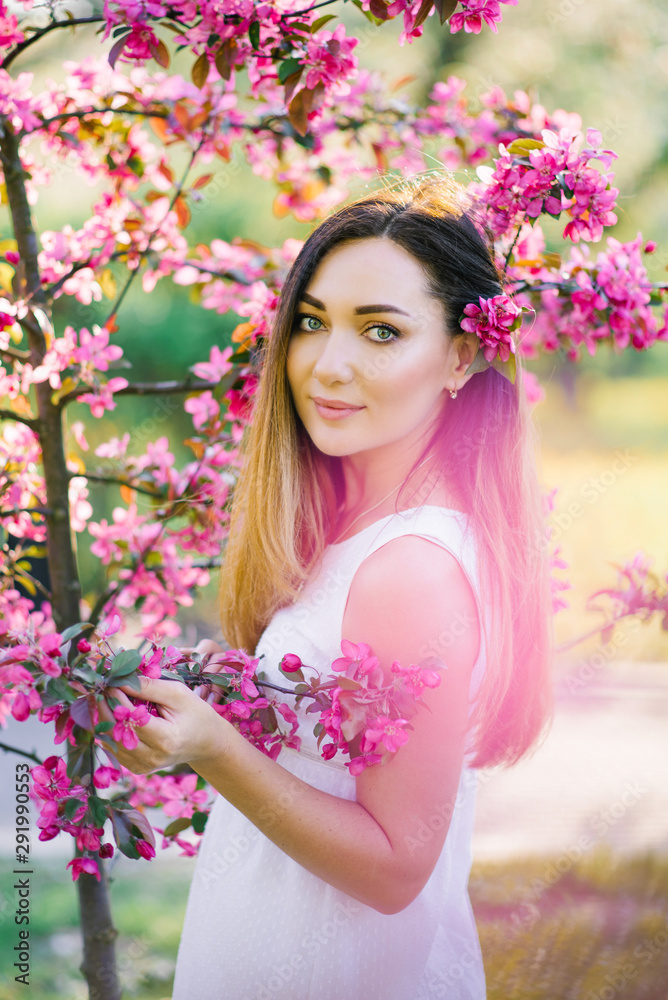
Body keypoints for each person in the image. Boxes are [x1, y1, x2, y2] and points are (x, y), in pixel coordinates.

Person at [104, 176, 554, 1000]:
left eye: (381, 331)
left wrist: (214, 746)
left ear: (461, 357)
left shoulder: (409, 569)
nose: (328, 365)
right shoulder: (352, 535)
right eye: (312, 322)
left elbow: (394, 868)